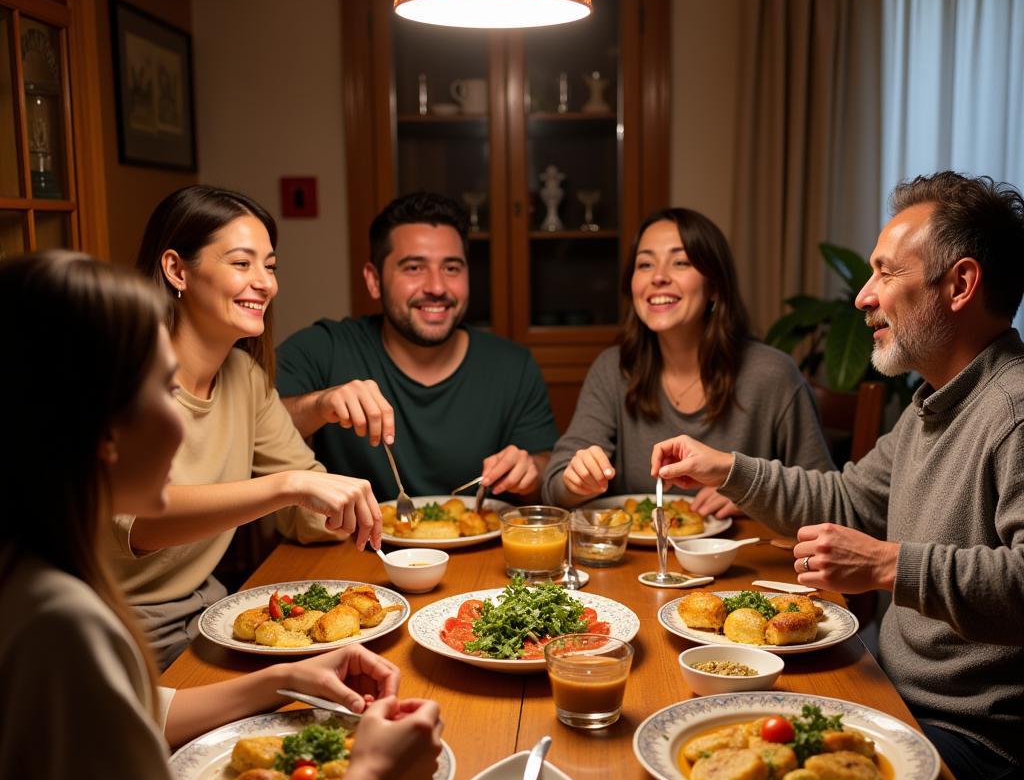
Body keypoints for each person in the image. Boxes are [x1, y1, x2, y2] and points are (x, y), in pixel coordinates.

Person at [0, 250, 443, 780]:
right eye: (163, 390)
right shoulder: (63, 627)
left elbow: (140, 710)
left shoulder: (26, 577)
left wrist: (284, 680)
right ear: (103, 432)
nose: (185, 423)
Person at [651, 172, 1024, 780]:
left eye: (886, 272)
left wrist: (889, 563)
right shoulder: (931, 406)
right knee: (706, 743)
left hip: (983, 746)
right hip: (890, 698)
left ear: (960, 284)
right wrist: (726, 468)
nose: (864, 294)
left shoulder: (1013, 412)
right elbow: (849, 499)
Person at [104, 185, 382, 669]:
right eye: (241, 263)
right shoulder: (122, 370)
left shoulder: (245, 376)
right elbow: (140, 522)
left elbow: (307, 518)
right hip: (117, 634)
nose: (265, 283)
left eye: (269, 266)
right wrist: (288, 486)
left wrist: (342, 506)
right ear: (176, 270)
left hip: (213, 613)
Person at [541, 207, 834, 511]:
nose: (658, 277)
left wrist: (749, 493)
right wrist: (576, 482)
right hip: (640, 558)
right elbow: (553, 488)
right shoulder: (613, 369)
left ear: (715, 288)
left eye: (680, 262)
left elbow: (827, 502)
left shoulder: (772, 374)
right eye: (645, 264)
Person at [276, 191, 559, 500]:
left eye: (451, 268)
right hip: (353, 547)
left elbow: (545, 468)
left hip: (482, 545)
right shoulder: (324, 348)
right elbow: (253, 433)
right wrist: (320, 405)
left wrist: (530, 469)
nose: (437, 287)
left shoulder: (513, 365)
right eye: (413, 268)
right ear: (373, 280)